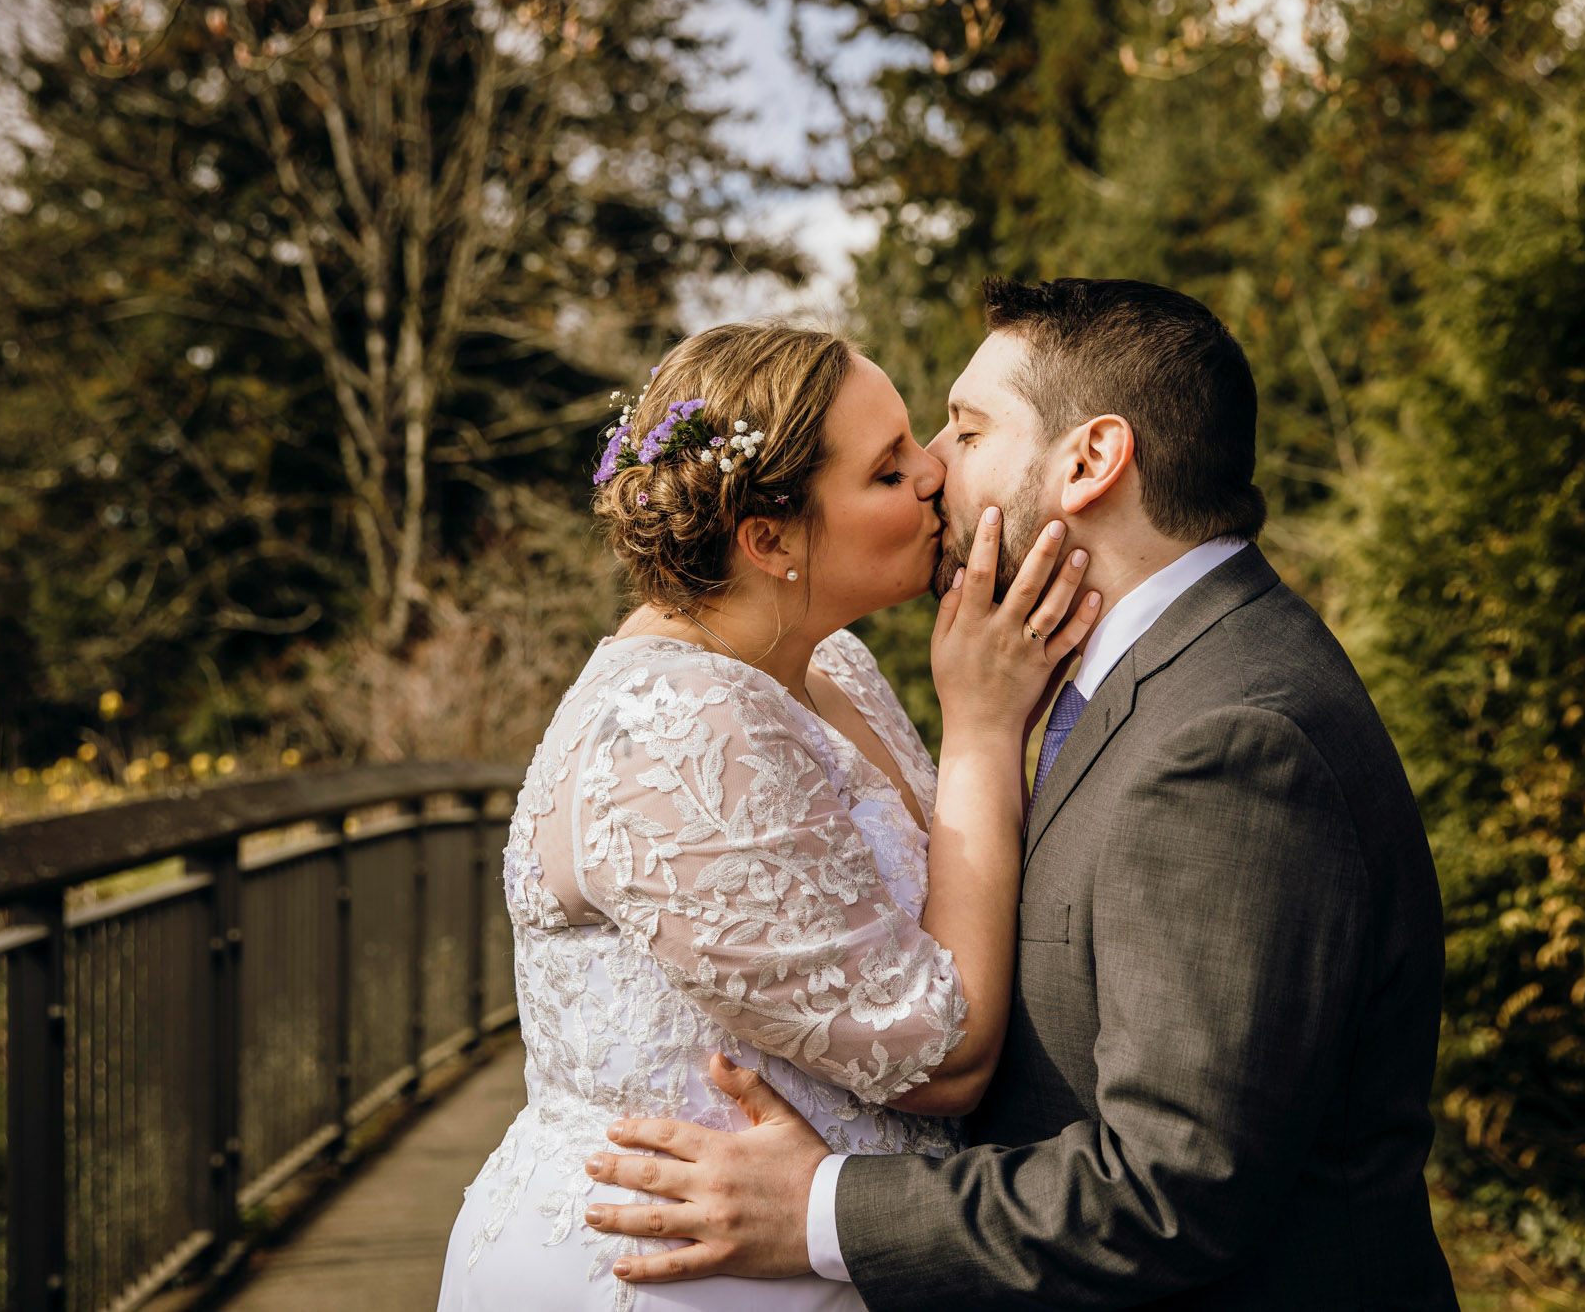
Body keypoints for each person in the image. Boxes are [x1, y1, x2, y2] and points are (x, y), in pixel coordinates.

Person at [582, 278, 1461, 1310]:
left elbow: (1168, 1188)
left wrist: (820, 1209)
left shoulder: (1229, 737)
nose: (931, 470)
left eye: (963, 428)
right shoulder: (1141, 673)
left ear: (1089, 461)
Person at [435, 321, 1101, 1311]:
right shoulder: (675, 728)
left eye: (917, 441)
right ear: (770, 538)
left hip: (827, 1255)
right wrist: (979, 725)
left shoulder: (831, 668)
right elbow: (940, 1054)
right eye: (886, 470)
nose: (933, 474)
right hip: (677, 1276)